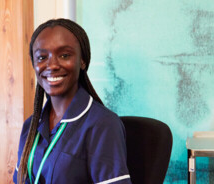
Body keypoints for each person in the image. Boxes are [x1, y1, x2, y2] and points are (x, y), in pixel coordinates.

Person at [13, 18, 132, 184]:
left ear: (82, 60)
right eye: (41, 57)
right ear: (34, 64)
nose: (52, 65)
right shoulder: (30, 126)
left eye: (64, 55)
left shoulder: (102, 124)